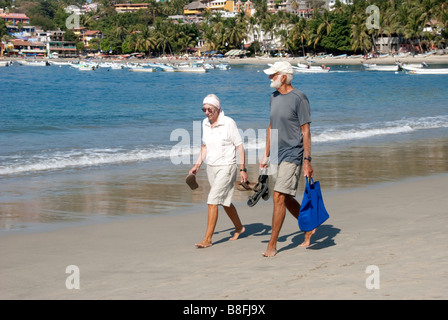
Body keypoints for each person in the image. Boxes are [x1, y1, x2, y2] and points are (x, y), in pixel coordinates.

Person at [260, 61, 315, 257]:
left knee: (278, 197)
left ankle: (272, 244)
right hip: (276, 153)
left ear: (283, 77)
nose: (269, 77)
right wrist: (266, 154)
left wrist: (307, 160)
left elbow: (305, 130)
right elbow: (271, 125)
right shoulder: (273, 97)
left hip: (293, 153)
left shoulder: (299, 98)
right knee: (286, 197)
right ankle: (309, 226)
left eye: (272, 74)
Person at [189, 94, 247, 248]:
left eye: (210, 109)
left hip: (227, 167)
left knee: (212, 200)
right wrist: (197, 165)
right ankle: (239, 227)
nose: (207, 112)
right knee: (224, 201)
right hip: (211, 167)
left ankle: (207, 239)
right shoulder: (205, 123)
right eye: (204, 109)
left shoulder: (228, 123)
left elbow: (239, 146)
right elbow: (205, 146)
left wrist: (243, 168)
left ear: (218, 108)